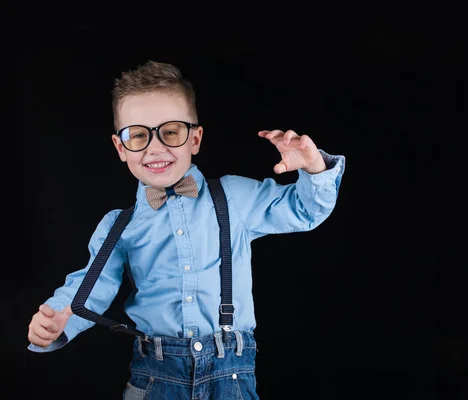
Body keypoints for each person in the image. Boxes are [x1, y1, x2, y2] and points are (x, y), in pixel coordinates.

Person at [26, 60, 345, 399]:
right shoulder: (119, 226)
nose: (155, 147)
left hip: (231, 377)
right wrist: (57, 321)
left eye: (171, 132)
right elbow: (90, 287)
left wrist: (313, 169)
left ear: (195, 139)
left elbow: (304, 210)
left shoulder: (234, 196)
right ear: (121, 148)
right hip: (155, 379)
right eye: (137, 135)